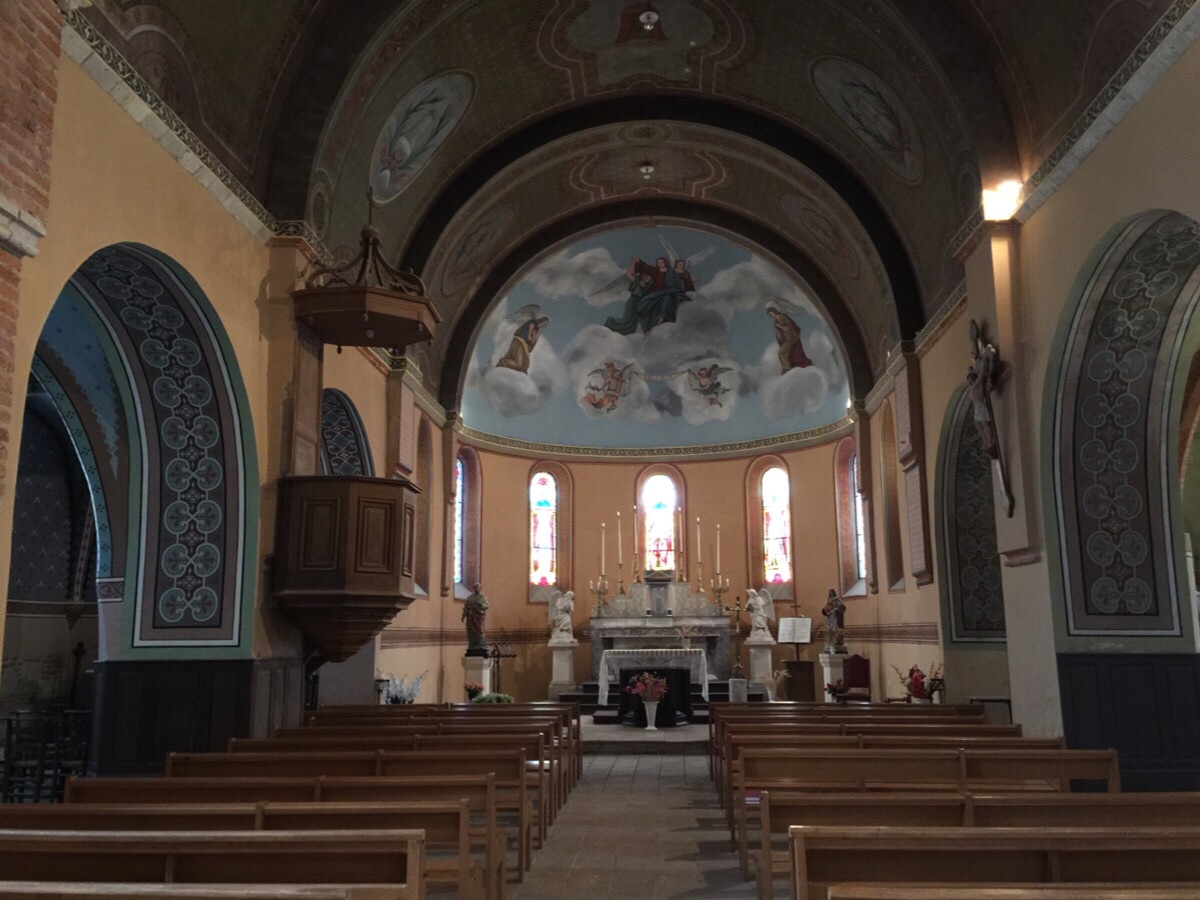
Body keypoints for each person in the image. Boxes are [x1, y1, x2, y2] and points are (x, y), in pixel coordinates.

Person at [768, 306, 814, 373]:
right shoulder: (776, 322)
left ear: (774, 312)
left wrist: (780, 326)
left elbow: (790, 328)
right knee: (786, 354)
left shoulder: (782, 316)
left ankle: (787, 369)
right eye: (769, 315)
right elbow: (780, 334)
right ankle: (788, 368)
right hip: (787, 340)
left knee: (781, 353)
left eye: (771, 314)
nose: (771, 316)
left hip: (792, 338)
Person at [463, 582, 490, 656]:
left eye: (478, 588)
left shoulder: (483, 597)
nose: (477, 589)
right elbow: (466, 607)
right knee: (471, 631)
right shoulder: (470, 597)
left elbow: (487, 606)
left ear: (480, 588)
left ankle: (481, 645)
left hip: (479, 618)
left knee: (480, 631)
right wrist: (464, 615)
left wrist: (481, 605)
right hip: (471, 617)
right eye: (475, 588)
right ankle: (472, 645)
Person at [821, 587, 846, 653]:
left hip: (836, 618)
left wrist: (835, 608)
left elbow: (843, 607)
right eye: (829, 592)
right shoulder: (828, 600)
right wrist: (827, 611)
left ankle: (837, 642)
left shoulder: (837, 599)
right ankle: (830, 642)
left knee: (836, 631)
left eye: (831, 592)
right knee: (830, 631)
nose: (830, 593)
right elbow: (825, 610)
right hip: (830, 619)